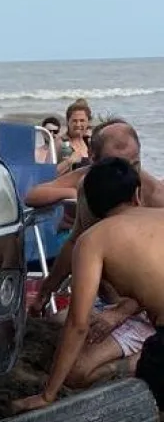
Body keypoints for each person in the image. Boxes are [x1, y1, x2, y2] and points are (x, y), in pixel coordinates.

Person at [11, 157, 164, 414]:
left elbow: (78, 324)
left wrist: (48, 395)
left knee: (148, 379)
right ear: (137, 195)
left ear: (87, 205)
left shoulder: (93, 240)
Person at [25, 118, 164, 316]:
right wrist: (45, 291)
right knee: (57, 322)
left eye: (132, 165)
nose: (122, 175)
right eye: (113, 165)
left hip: (149, 307)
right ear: (92, 159)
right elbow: (74, 241)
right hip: (104, 298)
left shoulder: (157, 199)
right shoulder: (89, 186)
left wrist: (119, 314)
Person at [55, 98, 92, 175]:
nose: (78, 124)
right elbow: (47, 174)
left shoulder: (88, 141)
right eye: (74, 121)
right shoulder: (62, 142)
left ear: (88, 122)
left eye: (82, 120)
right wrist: (69, 162)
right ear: (68, 122)